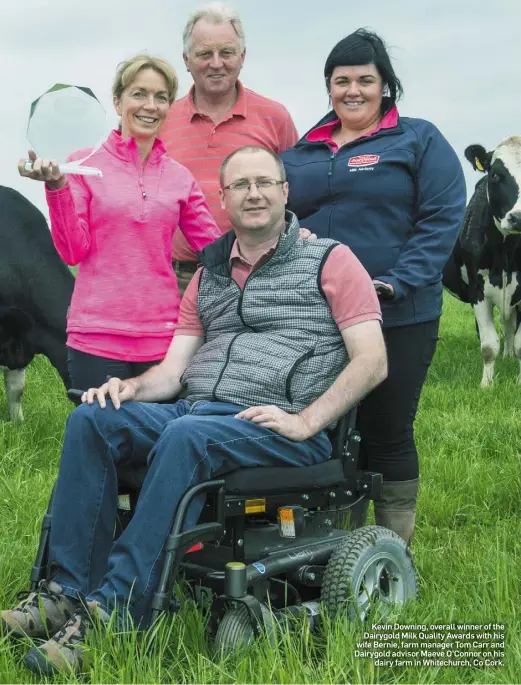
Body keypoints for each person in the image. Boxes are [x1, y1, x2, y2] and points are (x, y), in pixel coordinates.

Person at [2, 145, 387, 676]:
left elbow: (372, 362)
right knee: (92, 420)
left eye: (265, 182)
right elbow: (172, 372)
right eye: (241, 185)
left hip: (282, 424)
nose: (254, 193)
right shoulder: (209, 276)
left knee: (187, 435)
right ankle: (65, 592)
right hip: (201, 409)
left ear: (284, 191)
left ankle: (115, 613)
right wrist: (127, 389)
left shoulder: (331, 260)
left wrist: (306, 421)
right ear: (223, 199)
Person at [280, 29, 467, 545]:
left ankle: (392, 552)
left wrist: (395, 282)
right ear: (328, 86)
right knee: (328, 428)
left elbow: (442, 217)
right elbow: (277, 219)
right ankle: (336, 548)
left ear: (386, 86)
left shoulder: (418, 139)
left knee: (386, 430)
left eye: (366, 80)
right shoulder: (299, 155)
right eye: (342, 81)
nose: (353, 91)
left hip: (397, 313)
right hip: (315, 317)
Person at [18, 54, 222, 389]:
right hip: (96, 337)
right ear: (117, 101)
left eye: (161, 98)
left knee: (157, 437)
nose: (150, 106)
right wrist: (57, 187)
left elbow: (216, 252)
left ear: (170, 107)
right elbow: (72, 251)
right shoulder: (81, 164)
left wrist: (280, 237)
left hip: (162, 337)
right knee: (101, 433)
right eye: (139, 94)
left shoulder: (179, 177)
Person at [161, 2, 299, 293]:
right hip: (176, 280)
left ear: (242, 56)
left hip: (258, 279)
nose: (216, 63)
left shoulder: (275, 118)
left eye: (226, 52)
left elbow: (297, 194)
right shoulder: (162, 121)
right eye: (204, 53)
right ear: (186, 59)